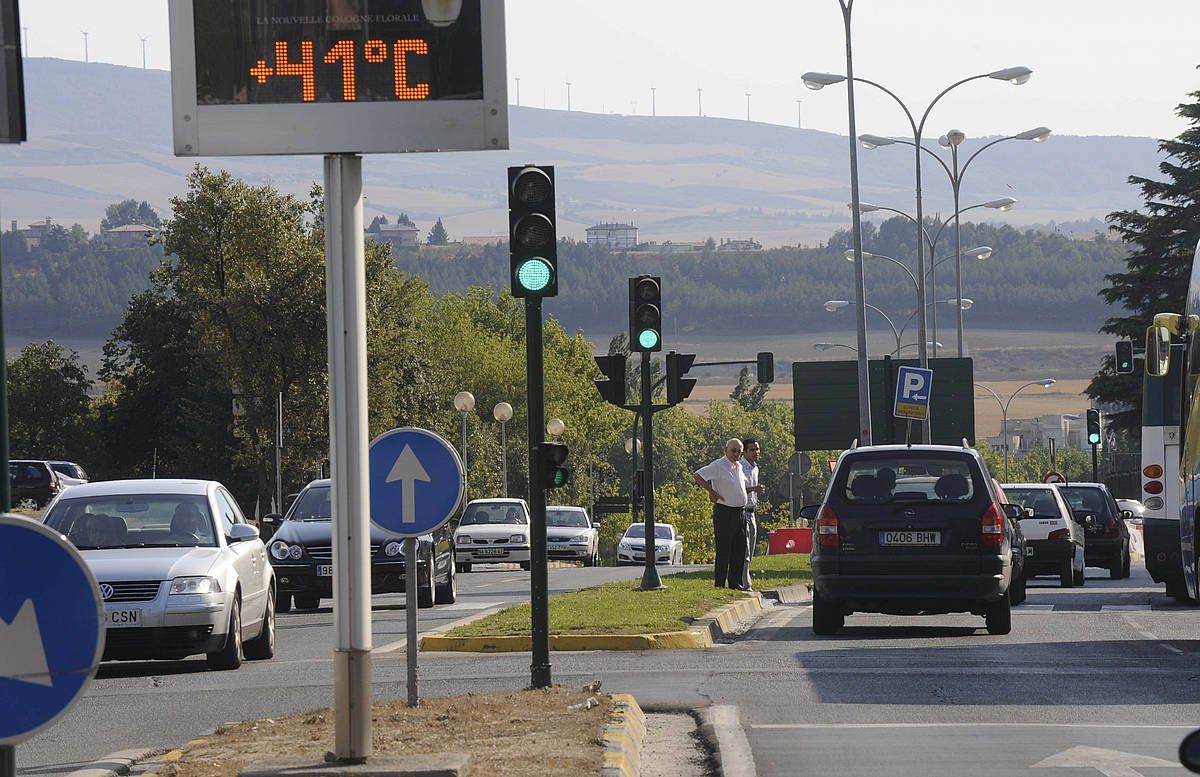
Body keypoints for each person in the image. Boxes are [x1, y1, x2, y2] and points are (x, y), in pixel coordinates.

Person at [693, 439, 750, 589]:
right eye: (733, 450)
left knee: (739, 549)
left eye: (739, 451)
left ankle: (735, 583)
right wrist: (712, 491)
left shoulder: (739, 466)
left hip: (740, 512)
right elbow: (698, 475)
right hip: (725, 512)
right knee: (724, 549)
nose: (736, 454)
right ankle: (719, 584)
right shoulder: (719, 465)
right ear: (726, 450)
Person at [740, 438, 767, 590]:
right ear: (744, 452)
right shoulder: (740, 467)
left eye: (757, 449)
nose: (756, 452)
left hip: (752, 511)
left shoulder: (755, 468)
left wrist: (756, 490)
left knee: (751, 546)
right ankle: (745, 583)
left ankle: (745, 579)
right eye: (752, 450)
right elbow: (738, 489)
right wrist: (753, 489)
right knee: (745, 549)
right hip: (742, 511)